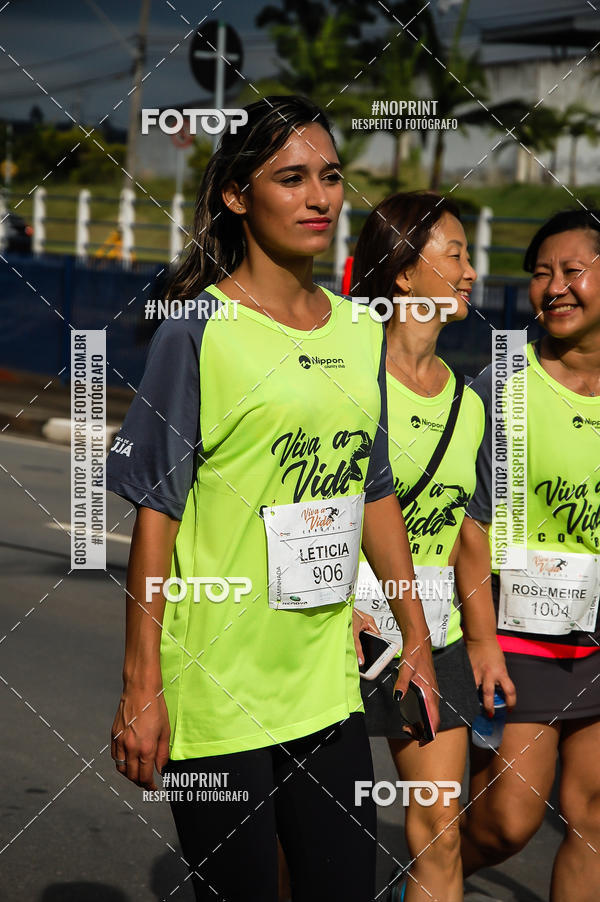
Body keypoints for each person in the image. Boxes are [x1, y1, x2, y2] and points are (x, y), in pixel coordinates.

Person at [106, 96, 439, 902]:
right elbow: (157, 517)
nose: (319, 197)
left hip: (324, 686)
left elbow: (374, 490)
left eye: (329, 177)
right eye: (290, 178)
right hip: (216, 689)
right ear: (236, 196)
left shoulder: (362, 331)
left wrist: (417, 639)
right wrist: (140, 687)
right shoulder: (197, 332)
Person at [351, 191, 515, 902]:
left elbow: (466, 534)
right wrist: (333, 612)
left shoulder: (468, 401)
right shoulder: (348, 380)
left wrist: (482, 641)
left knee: (440, 828)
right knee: (305, 835)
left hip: (433, 637)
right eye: (455, 254)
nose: (471, 270)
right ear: (404, 273)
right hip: (337, 632)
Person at [460, 209, 600, 901]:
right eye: (542, 274)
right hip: (517, 641)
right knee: (509, 823)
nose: (554, 288)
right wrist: (481, 640)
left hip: (599, 640)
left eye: (572, 271)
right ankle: (431, 873)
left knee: (594, 817)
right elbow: (471, 528)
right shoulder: (505, 385)